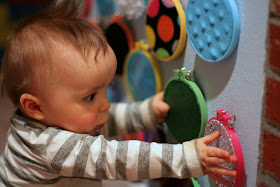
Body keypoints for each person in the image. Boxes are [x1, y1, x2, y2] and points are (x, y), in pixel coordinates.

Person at [0, 0, 237, 186]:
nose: (104, 105)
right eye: (91, 96)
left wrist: (146, 112)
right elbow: (115, 158)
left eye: (105, 88)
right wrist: (186, 159)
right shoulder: (49, 147)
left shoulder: (58, 116)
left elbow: (104, 120)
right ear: (35, 107)